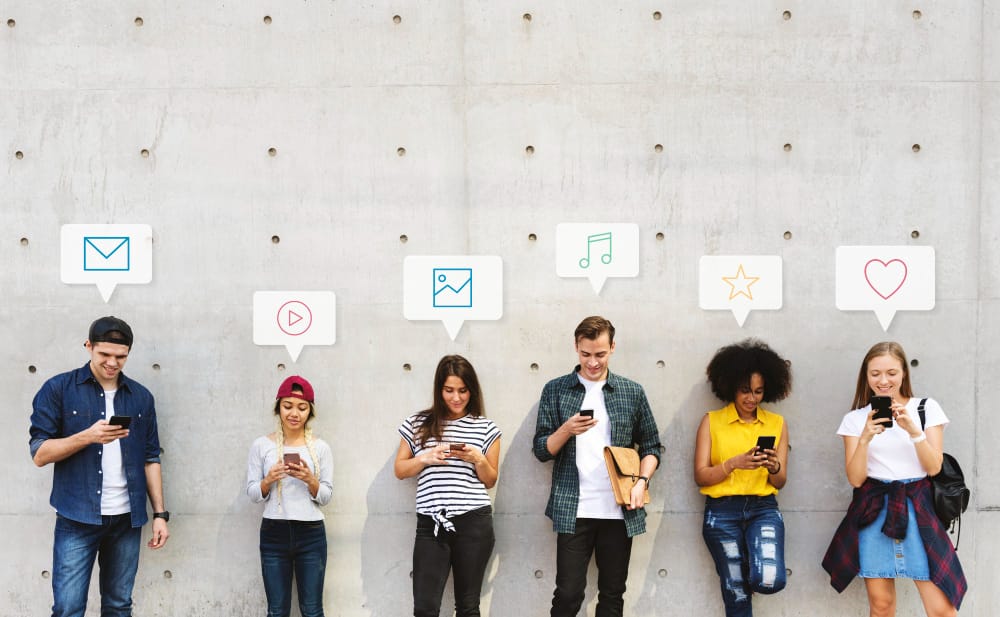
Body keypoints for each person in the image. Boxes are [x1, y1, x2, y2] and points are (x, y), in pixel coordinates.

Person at [29, 316, 170, 617]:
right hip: (76, 516)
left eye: (120, 357)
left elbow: (150, 458)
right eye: (104, 354)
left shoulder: (141, 397)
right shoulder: (59, 389)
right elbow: (40, 453)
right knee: (68, 609)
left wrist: (160, 514)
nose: (112, 363)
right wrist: (87, 436)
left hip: (126, 520)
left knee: (119, 607)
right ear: (88, 346)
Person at [822, 342, 967, 616]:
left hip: (919, 508)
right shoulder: (855, 419)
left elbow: (934, 467)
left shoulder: (926, 408)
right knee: (881, 607)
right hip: (874, 510)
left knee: (942, 610)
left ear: (903, 374)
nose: (883, 380)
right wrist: (864, 438)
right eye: (875, 373)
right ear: (866, 376)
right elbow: (855, 479)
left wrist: (914, 431)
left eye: (891, 372)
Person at [533, 316, 661, 617]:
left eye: (600, 354)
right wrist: (567, 430)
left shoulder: (631, 392)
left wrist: (641, 483)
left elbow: (652, 446)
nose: (592, 362)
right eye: (586, 354)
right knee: (567, 595)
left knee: (612, 596)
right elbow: (541, 450)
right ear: (576, 348)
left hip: (619, 509)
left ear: (612, 347)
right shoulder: (556, 390)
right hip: (573, 509)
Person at [394, 355, 501, 617]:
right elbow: (399, 470)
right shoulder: (418, 423)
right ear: (439, 390)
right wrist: (425, 458)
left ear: (471, 391)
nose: (456, 398)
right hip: (431, 523)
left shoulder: (486, 428)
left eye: (463, 391)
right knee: (425, 608)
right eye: (449, 390)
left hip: (474, 522)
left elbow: (490, 480)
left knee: (468, 607)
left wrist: (477, 458)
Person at [694, 339, 791, 617]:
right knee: (736, 594)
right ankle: (737, 570)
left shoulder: (777, 424)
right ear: (730, 387)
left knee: (769, 579)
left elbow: (781, 481)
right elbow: (701, 476)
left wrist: (773, 467)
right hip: (721, 513)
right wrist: (735, 463)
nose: (752, 398)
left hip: (763, 509)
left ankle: (747, 561)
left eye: (759, 391)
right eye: (745, 390)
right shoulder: (711, 421)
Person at [246, 375, 334, 617]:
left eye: (302, 407)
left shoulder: (321, 448)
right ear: (278, 408)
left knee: (313, 610)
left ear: (310, 412)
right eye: (287, 406)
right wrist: (268, 480)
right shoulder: (262, 446)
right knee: (276, 611)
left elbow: (326, 496)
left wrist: (310, 479)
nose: (294, 413)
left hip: (311, 533)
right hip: (274, 532)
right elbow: (253, 494)